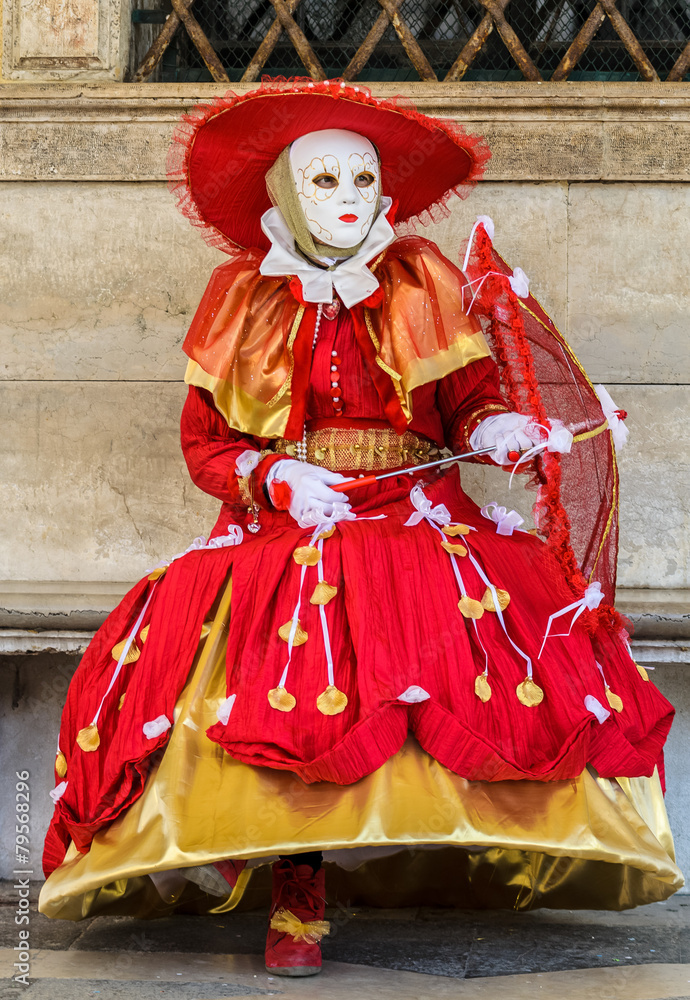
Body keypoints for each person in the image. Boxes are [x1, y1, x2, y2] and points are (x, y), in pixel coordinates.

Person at [40, 79, 680, 978]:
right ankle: (297, 892)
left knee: (482, 639)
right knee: (275, 673)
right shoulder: (243, 294)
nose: (348, 199)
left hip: (423, 515)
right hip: (289, 525)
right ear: (287, 197)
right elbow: (206, 445)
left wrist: (495, 429)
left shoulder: (423, 277)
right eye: (325, 181)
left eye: (363, 181)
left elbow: (469, 403)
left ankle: (482, 853)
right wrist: (273, 474)